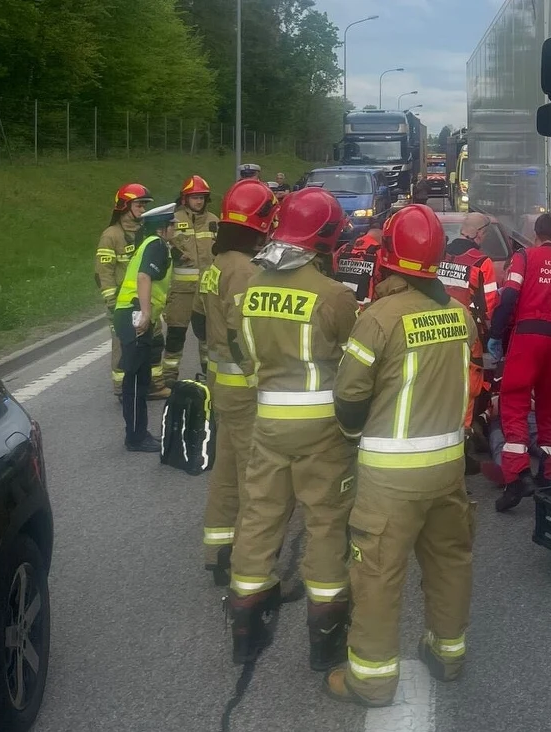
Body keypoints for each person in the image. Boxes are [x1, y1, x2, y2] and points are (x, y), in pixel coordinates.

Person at [325, 204, 477, 708]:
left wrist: (353, 434)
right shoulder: (459, 315)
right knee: (450, 562)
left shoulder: (379, 319)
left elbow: (348, 398)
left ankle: (370, 680)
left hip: (391, 478)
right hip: (448, 468)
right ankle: (448, 654)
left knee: (376, 576)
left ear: (387, 255)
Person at [227, 187, 360, 670]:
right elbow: (355, 363)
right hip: (323, 427)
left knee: (260, 514)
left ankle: (245, 623)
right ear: (324, 238)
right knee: (325, 521)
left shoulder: (247, 291)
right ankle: (324, 639)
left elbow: (239, 351)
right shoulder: (333, 296)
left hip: (268, 420)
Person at [190, 179, 275, 586]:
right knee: (253, 479)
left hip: (220, 384)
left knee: (224, 471)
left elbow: (200, 322)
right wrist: (259, 377)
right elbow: (245, 334)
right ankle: (251, 567)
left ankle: (218, 549)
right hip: (243, 387)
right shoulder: (244, 271)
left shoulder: (216, 264)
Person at [487, 213, 551, 512]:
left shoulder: (525, 258)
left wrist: (496, 335)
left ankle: (517, 477)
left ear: (536, 233)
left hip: (529, 336)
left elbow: (509, 297)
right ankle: (549, 476)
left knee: (514, 404)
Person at [112, 204, 178, 451]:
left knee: (139, 376)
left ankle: (138, 434)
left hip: (131, 311)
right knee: (137, 379)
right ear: (163, 228)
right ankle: (136, 438)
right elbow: (143, 277)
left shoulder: (151, 243)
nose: (175, 229)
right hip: (135, 312)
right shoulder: (157, 245)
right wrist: (146, 313)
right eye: (172, 225)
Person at [438, 212, 498, 436]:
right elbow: (490, 306)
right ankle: (464, 433)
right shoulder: (482, 263)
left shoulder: (441, 256)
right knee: (469, 382)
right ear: (480, 233)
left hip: (437, 326)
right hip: (468, 333)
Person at [96, 184, 159, 399]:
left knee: (148, 342)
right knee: (123, 344)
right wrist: (112, 303)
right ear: (125, 207)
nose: (143, 209)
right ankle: (122, 387)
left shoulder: (145, 232)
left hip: (142, 300)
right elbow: (104, 272)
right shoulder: (111, 236)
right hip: (122, 303)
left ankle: (146, 383)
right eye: (139, 204)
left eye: (144, 205)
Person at [162, 175, 220, 384]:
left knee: (207, 337)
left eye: (202, 197)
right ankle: (169, 377)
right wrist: (173, 251)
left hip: (207, 292)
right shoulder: (172, 220)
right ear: (185, 199)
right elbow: (159, 246)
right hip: (181, 292)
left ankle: (209, 375)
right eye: (194, 197)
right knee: (176, 335)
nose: (199, 201)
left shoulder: (215, 221)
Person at [333, 227, 384, 309]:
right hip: (367, 310)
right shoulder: (382, 253)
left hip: (339, 305)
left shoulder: (343, 249)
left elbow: (333, 271)